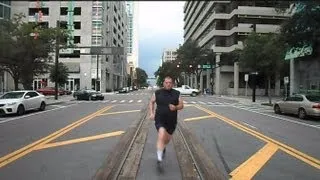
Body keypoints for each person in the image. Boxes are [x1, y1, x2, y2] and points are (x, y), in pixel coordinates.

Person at [149, 76, 184, 166]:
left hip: (172, 121)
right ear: (163, 83)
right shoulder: (157, 93)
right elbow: (151, 102)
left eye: (170, 82)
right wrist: (152, 113)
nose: (168, 84)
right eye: (166, 82)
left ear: (172, 84)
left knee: (167, 139)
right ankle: (159, 158)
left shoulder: (177, 93)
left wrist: (175, 107)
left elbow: (181, 105)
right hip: (159, 119)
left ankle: (163, 147)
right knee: (161, 134)